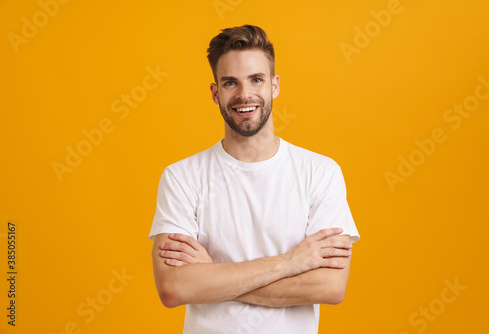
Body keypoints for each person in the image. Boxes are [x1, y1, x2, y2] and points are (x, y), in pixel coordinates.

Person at [149, 24, 360, 334]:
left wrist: (210, 278)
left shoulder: (320, 172)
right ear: (215, 92)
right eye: (230, 82)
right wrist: (290, 263)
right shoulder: (182, 177)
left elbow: (330, 286)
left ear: (274, 86)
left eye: (256, 79)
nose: (244, 94)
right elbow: (174, 287)